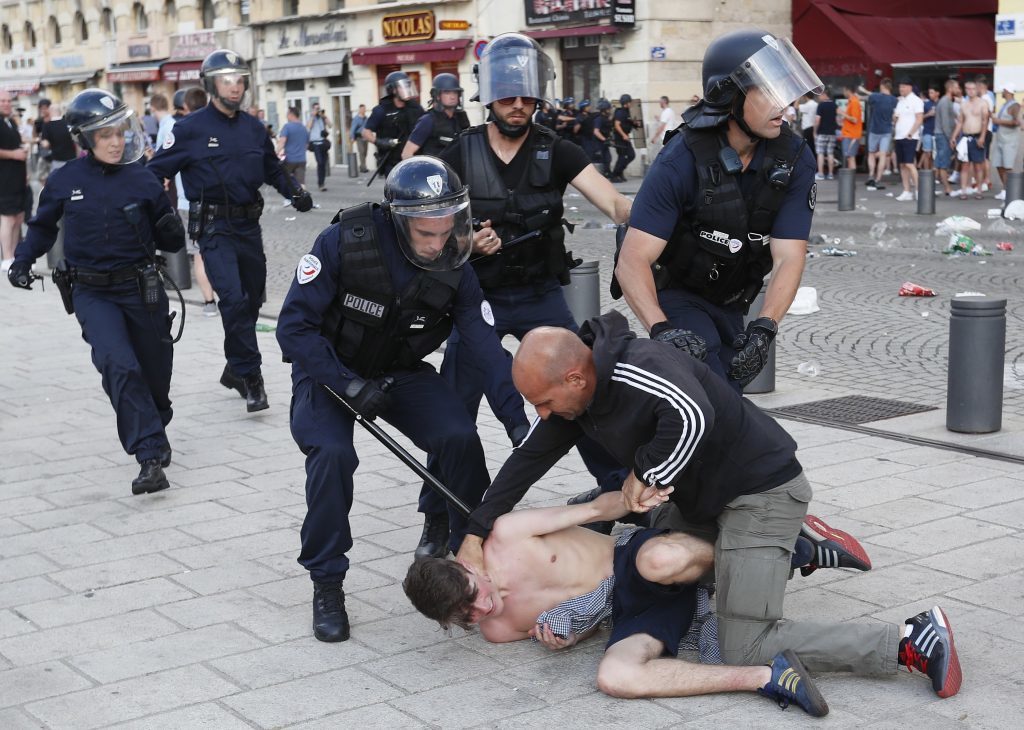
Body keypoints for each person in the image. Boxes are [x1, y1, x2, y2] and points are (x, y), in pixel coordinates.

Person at [455, 312, 964, 702]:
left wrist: (645, 474)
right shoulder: (581, 396)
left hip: (758, 493)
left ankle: (905, 639)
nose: (541, 415)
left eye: (542, 403)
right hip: (701, 505)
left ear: (573, 378)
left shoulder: (639, 369)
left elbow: (692, 415)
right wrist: (476, 530)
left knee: (743, 644)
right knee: (648, 556)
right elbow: (528, 462)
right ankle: (797, 549)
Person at [275, 157, 529, 642]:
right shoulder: (345, 242)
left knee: (458, 436)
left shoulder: (457, 266)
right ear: (398, 221)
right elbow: (293, 329)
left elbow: (484, 348)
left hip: (399, 372)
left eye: (446, 232)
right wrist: (346, 385)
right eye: (426, 235)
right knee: (332, 455)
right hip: (329, 374)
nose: (438, 245)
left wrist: (518, 421)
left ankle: (465, 554)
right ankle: (327, 582)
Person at [431, 32, 633, 558]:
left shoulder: (558, 149)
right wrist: (465, 240)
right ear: (489, 97)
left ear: (537, 96)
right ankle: (438, 516)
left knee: (583, 390)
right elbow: (429, 230)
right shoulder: (458, 151)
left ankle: (623, 495)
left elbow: (614, 203)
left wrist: (665, 213)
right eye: (506, 96)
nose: (517, 105)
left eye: (525, 96)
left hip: (541, 293)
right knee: (453, 413)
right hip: (477, 298)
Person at [407, 491, 838, 716]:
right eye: (466, 616)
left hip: (630, 560)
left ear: (466, 567)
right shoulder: (496, 630)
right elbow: (586, 622)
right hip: (627, 611)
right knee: (615, 677)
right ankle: (768, 678)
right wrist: (569, 639)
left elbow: (597, 506)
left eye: (474, 595)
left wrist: (645, 492)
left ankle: (784, 549)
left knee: (661, 558)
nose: (482, 608)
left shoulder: (509, 533)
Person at [614, 28, 817, 394]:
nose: (785, 106)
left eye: (784, 92)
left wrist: (764, 328)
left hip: (733, 299)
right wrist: (663, 331)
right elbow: (632, 261)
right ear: (729, 94)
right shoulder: (680, 159)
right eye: (770, 92)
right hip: (678, 292)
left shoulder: (794, 158)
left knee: (727, 398)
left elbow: (789, 255)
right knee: (714, 400)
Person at [7, 89, 186, 495]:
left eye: (120, 132)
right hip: (92, 293)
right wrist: (21, 260)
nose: (116, 141)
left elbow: (168, 235)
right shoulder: (64, 179)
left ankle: (155, 419)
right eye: (104, 134)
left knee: (155, 373)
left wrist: (171, 229)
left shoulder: (143, 177)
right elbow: (42, 227)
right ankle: (149, 455)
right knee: (118, 365)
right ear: (84, 139)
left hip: (141, 288)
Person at [148, 49, 314, 413]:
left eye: (240, 80)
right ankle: (251, 377)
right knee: (234, 300)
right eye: (227, 80)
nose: (235, 88)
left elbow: (272, 169)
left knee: (253, 299)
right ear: (211, 84)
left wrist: (296, 192)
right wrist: (156, 214)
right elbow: (154, 171)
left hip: (248, 225)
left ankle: (234, 366)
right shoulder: (189, 130)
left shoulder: (254, 128)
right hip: (213, 228)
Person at [363, 71, 424, 178]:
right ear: (393, 90)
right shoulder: (381, 110)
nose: (408, 89)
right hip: (392, 163)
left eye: (408, 85)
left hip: (414, 160)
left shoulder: (416, 108)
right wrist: (380, 142)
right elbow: (366, 133)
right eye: (403, 86)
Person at [401, 73, 470, 159]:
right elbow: (407, 153)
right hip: (434, 170)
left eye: (455, 92)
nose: (452, 97)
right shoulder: (427, 120)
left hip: (457, 170)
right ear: (437, 95)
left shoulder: (461, 118)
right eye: (447, 93)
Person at [0, 89, 28, 272]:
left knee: (19, 217)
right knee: (8, 217)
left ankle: (15, 254)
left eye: (9, 100)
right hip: (4, 178)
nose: (6, 103)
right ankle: (7, 258)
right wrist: (14, 154)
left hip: (17, 177)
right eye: (2, 100)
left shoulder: (9, 121)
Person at [950, 79, 989, 200]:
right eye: (968, 89)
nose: (970, 91)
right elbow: (960, 122)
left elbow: (985, 121)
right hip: (965, 137)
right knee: (965, 165)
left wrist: (982, 136)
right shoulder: (964, 104)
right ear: (965, 90)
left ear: (976, 89)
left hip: (977, 136)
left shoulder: (983, 103)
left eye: (972, 89)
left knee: (978, 165)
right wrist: (953, 136)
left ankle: (979, 190)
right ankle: (963, 190)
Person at [892, 77, 924, 202]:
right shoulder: (900, 101)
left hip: (910, 136)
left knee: (910, 164)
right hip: (899, 135)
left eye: (903, 87)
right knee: (902, 165)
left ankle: (919, 190)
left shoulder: (916, 101)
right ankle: (906, 191)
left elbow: (919, 119)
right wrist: (894, 118)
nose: (901, 89)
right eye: (900, 87)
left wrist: (911, 133)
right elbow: (895, 119)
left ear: (910, 87)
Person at [866, 79, 897, 190]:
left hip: (874, 130)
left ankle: (871, 175)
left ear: (883, 86)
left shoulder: (875, 97)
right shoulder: (894, 100)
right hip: (887, 131)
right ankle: (878, 179)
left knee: (871, 153)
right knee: (883, 155)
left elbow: (869, 101)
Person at [991, 83, 1020, 201]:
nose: (1002, 93)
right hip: (1000, 139)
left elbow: (1016, 122)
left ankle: (1011, 190)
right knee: (999, 164)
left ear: (1008, 92)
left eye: (1003, 91)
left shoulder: (1015, 106)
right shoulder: (1004, 105)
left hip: (1009, 140)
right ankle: (1005, 189)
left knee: (1008, 166)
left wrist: (999, 121)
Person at [935, 79, 960, 196]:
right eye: (956, 87)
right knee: (943, 164)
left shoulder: (947, 101)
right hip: (943, 135)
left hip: (942, 135)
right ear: (950, 88)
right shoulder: (945, 102)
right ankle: (947, 188)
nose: (958, 90)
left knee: (940, 162)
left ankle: (937, 187)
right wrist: (951, 138)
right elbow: (946, 123)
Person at [40, 102, 78, 177]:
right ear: (60, 111)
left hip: (58, 159)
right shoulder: (68, 123)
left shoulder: (47, 126)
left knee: (59, 182)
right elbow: (76, 140)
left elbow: (45, 144)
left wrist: (41, 141)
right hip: (72, 158)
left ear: (50, 112)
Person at [278, 107, 310, 187]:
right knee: (301, 183)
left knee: (287, 182)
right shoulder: (304, 128)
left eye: (287, 114)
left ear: (291, 115)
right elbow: (306, 145)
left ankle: (289, 198)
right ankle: (301, 198)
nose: (286, 116)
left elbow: (282, 142)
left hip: (289, 160)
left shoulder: (287, 127)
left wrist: (276, 152)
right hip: (302, 160)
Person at [610, 94, 637, 182]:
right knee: (622, 156)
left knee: (631, 155)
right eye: (630, 102)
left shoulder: (627, 111)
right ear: (626, 102)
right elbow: (617, 125)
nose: (631, 103)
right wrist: (624, 135)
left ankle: (619, 172)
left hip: (625, 137)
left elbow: (626, 122)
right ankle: (614, 175)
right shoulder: (620, 112)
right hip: (620, 138)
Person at [813, 89, 837, 180]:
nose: (819, 97)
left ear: (824, 95)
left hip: (822, 133)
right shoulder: (834, 105)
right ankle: (830, 174)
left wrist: (815, 131)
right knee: (830, 153)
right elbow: (839, 118)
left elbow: (817, 120)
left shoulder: (821, 105)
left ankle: (821, 174)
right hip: (832, 133)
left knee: (820, 153)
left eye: (820, 95)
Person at [307, 102, 331, 191]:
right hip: (315, 144)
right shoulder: (310, 117)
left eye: (318, 108)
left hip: (323, 143)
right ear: (313, 109)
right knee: (320, 163)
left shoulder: (322, 118)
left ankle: (322, 183)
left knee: (323, 164)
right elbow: (308, 127)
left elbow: (330, 125)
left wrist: (324, 116)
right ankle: (320, 184)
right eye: (316, 109)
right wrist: (313, 116)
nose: (318, 110)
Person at [839, 84, 862, 169]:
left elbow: (854, 119)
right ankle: (850, 180)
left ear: (848, 90)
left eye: (844, 90)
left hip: (852, 135)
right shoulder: (852, 101)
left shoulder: (854, 102)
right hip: (849, 134)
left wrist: (842, 113)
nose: (843, 92)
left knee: (850, 157)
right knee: (850, 157)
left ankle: (851, 180)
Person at [593, 99, 615, 175]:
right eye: (608, 109)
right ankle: (601, 175)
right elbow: (596, 131)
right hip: (598, 143)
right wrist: (604, 139)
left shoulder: (605, 118)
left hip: (604, 142)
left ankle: (607, 173)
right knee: (600, 160)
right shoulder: (599, 119)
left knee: (608, 158)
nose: (610, 110)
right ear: (604, 110)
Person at [350, 103, 369, 173]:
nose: (364, 110)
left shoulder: (366, 118)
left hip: (366, 137)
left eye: (365, 109)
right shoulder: (356, 119)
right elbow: (353, 128)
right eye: (363, 109)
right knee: (361, 152)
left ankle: (361, 166)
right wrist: (352, 137)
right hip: (359, 138)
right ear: (360, 109)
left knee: (365, 153)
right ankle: (363, 168)